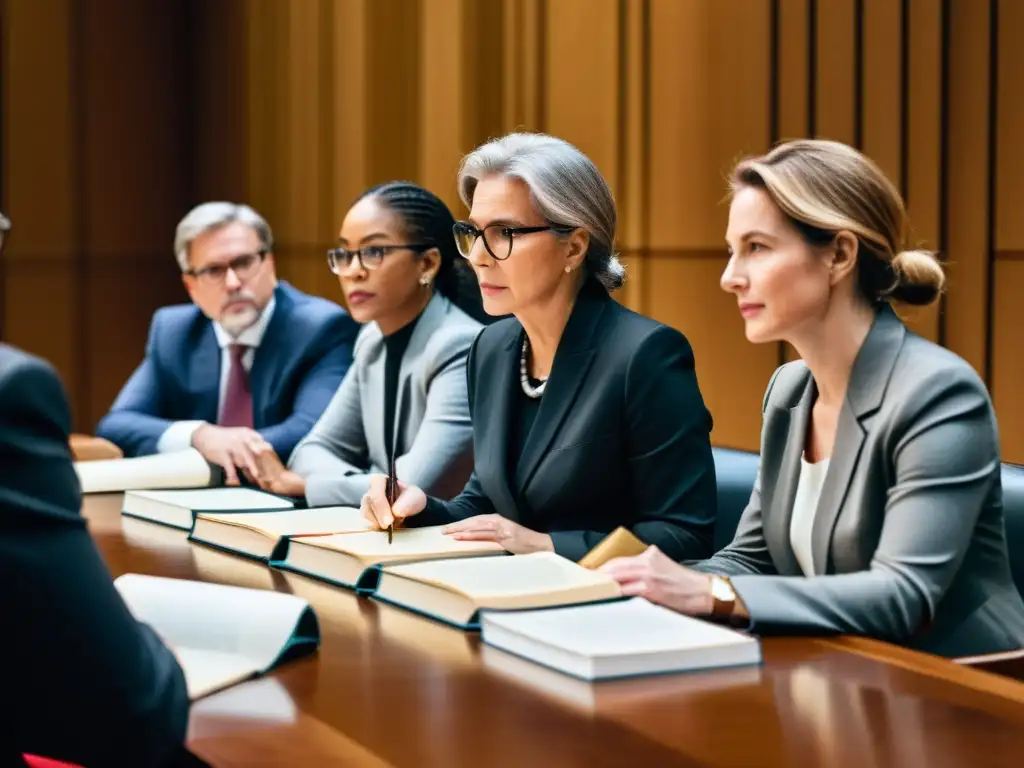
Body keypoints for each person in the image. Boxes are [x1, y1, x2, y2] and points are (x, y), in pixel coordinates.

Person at [599, 139, 1024, 657]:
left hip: (968, 689)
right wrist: (629, 586)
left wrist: (709, 592)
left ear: (840, 254)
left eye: (756, 247)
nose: (730, 277)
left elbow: (902, 596)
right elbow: (753, 559)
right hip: (844, 673)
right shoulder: (789, 388)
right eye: (733, 250)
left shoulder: (939, 393)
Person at [361, 133, 717, 563]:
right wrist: (417, 509)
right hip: (513, 600)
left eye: (504, 232)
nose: (478, 257)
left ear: (574, 246)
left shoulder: (646, 355)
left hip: (610, 611)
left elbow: (684, 533)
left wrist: (547, 546)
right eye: (473, 233)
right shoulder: (492, 348)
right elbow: (487, 503)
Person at [1, 347, 191, 765]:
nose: (230, 281)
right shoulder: (11, 388)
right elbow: (137, 709)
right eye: (208, 273)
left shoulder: (315, 329)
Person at [251, 182, 482, 506]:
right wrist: (372, 484)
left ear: (428, 263)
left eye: (374, 252)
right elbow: (311, 451)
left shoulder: (460, 346)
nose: (353, 271)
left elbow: (413, 485)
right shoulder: (372, 339)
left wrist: (307, 486)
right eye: (345, 254)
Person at [96, 202, 359, 483]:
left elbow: (312, 431)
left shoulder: (320, 328)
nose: (233, 283)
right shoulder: (175, 332)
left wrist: (227, 446)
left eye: (244, 263)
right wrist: (200, 436)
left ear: (269, 264)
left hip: (288, 501)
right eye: (213, 270)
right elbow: (117, 424)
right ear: (191, 286)